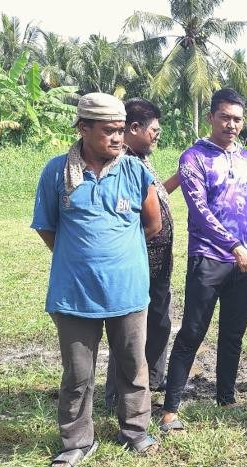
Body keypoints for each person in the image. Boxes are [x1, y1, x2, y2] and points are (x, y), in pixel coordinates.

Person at [31, 92, 162, 467]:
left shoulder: (136, 172)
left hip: (128, 291)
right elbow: (48, 228)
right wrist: (82, 259)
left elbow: (152, 225)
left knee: (133, 366)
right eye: (109, 131)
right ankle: (76, 442)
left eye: (121, 130)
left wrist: (118, 258)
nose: (118, 138)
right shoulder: (57, 172)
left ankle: (135, 432)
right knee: (78, 373)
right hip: (74, 294)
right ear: (83, 128)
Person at [159, 88, 247, 432]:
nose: (231, 124)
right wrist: (235, 246)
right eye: (224, 117)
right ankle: (170, 409)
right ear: (211, 117)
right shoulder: (193, 158)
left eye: (237, 119)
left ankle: (225, 397)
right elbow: (199, 209)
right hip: (208, 259)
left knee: (233, 334)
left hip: (246, 264)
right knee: (192, 332)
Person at [104, 98, 180, 411]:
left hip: (159, 263)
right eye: (154, 130)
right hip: (137, 262)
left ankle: (151, 380)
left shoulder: (142, 158)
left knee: (160, 322)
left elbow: (153, 194)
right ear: (134, 129)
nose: (157, 136)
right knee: (129, 331)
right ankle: (117, 395)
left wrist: (178, 177)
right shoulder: (120, 163)